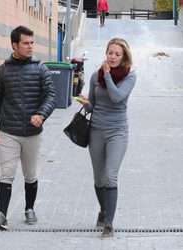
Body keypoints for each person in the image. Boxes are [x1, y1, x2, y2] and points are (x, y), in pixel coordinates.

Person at [0, 25, 56, 230]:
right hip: (9, 131)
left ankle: (29, 208)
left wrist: (41, 115)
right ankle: (2, 215)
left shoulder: (41, 69)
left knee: (30, 174)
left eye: (32, 43)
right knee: (7, 172)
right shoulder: (2, 71)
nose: (30, 46)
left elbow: (51, 95)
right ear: (14, 45)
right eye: (26, 43)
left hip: (33, 133)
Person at [78, 38, 136, 237]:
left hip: (117, 131)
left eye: (117, 54)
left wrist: (108, 76)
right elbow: (93, 106)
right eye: (110, 52)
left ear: (124, 57)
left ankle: (109, 224)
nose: (112, 57)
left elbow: (117, 97)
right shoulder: (96, 76)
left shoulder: (129, 77)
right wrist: (85, 104)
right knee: (99, 177)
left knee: (111, 176)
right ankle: (103, 210)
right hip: (96, 130)